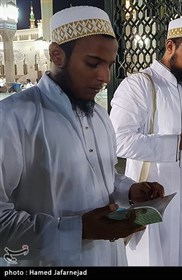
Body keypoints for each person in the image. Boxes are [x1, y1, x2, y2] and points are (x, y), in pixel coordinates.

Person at [0, 6, 165, 266]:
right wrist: (79, 230)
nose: (105, 77)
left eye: (109, 65)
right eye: (93, 63)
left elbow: (105, 177)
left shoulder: (99, 116)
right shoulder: (12, 118)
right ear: (57, 55)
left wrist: (130, 191)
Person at [110, 17, 182, 266]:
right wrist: (178, 143)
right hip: (153, 195)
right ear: (170, 46)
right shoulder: (139, 84)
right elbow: (119, 141)